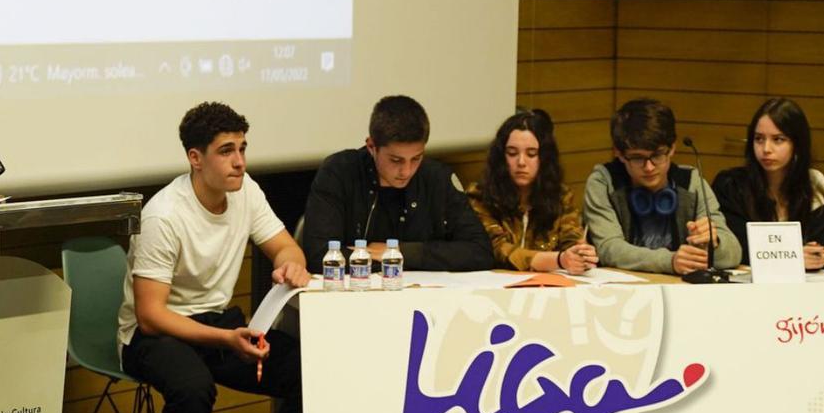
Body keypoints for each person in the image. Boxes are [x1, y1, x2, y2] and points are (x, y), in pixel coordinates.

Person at [118, 102, 310, 413]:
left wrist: (290, 266)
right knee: (192, 387)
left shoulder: (246, 191)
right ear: (195, 158)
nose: (239, 162)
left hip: (220, 324)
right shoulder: (164, 216)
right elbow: (151, 316)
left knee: (310, 371)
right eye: (226, 151)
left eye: (242, 148)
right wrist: (225, 340)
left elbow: (286, 247)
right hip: (153, 334)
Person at [300, 95, 493, 272]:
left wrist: (399, 253)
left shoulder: (437, 177)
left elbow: (480, 251)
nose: (406, 171)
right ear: (371, 147)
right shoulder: (339, 172)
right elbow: (320, 256)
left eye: (416, 158)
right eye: (396, 160)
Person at [583, 98, 741, 275]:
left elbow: (735, 253)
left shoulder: (691, 183)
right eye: (637, 158)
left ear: (672, 148)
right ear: (619, 153)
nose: (649, 167)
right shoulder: (604, 183)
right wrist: (670, 261)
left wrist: (715, 243)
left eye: (657, 155)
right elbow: (609, 248)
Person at [466, 109, 598, 273]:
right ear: (501, 157)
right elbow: (496, 249)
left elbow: (571, 239)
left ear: (544, 158)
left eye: (531, 154)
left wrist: (579, 255)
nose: (521, 162)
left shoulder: (561, 196)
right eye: (512, 153)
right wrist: (559, 260)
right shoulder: (480, 196)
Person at [712, 98, 824, 270]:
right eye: (759, 139)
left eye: (778, 139)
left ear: (797, 144)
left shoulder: (813, 181)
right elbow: (737, 248)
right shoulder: (730, 185)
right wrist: (792, 258)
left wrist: (817, 255)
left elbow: (823, 243)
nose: (766, 148)